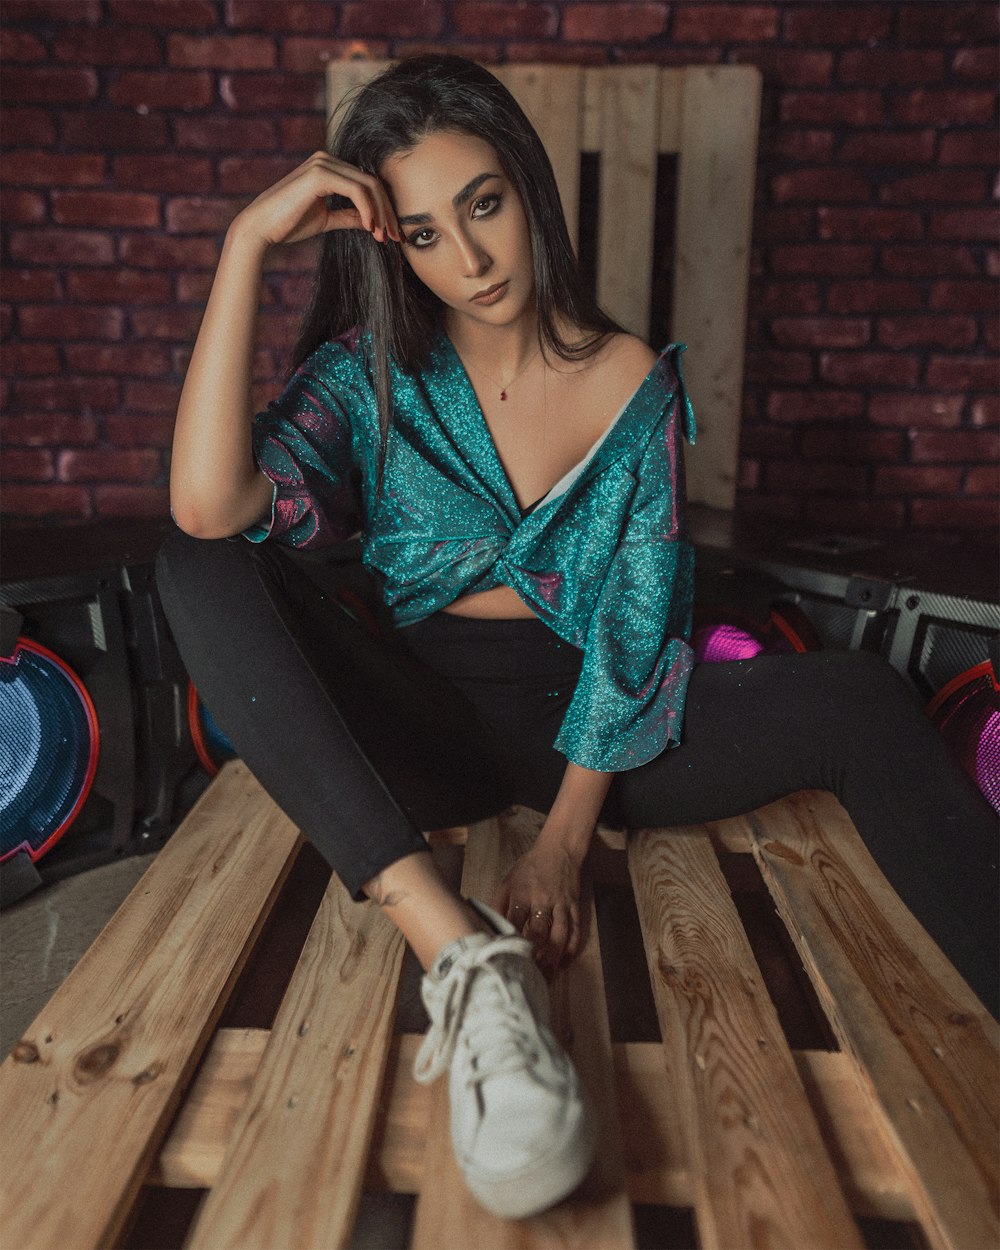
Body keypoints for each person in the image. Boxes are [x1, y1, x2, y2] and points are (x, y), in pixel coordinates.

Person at [157, 54, 998, 1218]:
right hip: (423, 718)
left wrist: (560, 840)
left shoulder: (625, 380)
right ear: (387, 245)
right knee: (193, 557)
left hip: (603, 731)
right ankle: (458, 951)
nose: (472, 258)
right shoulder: (368, 378)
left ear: (526, 190)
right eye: (424, 232)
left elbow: (636, 622)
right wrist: (245, 242)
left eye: (484, 205)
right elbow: (209, 505)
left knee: (857, 696)